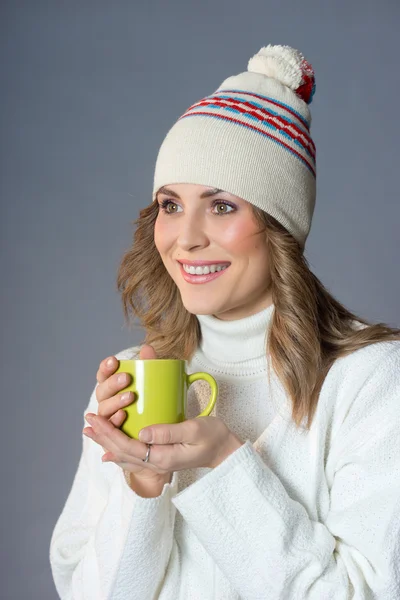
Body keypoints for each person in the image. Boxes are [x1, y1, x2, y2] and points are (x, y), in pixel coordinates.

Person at [49, 44, 400, 599]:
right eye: (170, 205)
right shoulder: (136, 381)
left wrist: (222, 465)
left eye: (222, 205)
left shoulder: (371, 382)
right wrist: (142, 490)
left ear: (281, 224)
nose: (185, 237)